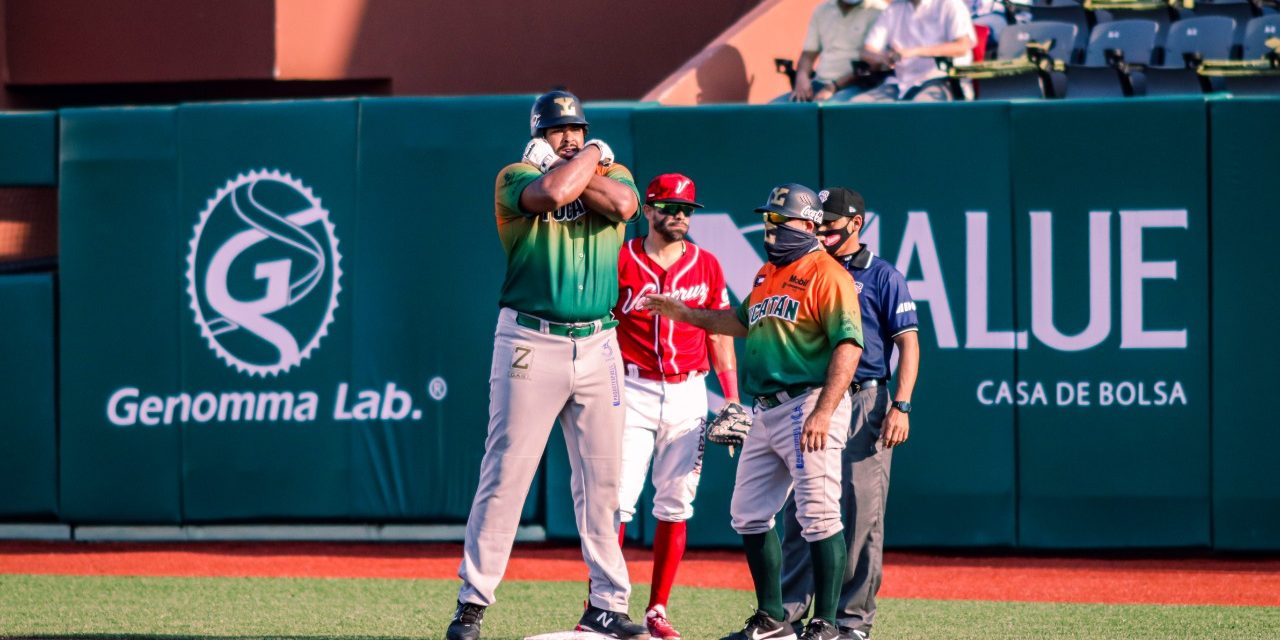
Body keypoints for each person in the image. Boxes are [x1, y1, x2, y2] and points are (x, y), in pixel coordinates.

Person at [446, 89, 648, 640]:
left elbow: (627, 207)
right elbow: (554, 191)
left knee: (604, 481)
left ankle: (607, 603)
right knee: (507, 472)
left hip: (599, 339)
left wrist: (582, 159)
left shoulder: (613, 169)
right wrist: (579, 162)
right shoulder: (514, 176)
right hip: (531, 341)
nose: (570, 137)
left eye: (577, 129)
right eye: (558, 130)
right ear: (537, 135)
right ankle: (473, 602)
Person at [641, 184, 864, 640]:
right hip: (765, 409)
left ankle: (826, 623)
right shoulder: (767, 273)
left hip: (808, 402)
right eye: (768, 219)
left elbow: (848, 346)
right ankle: (773, 618)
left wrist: (824, 411)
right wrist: (684, 314)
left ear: (807, 225)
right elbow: (738, 322)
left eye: (780, 220)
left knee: (820, 515)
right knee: (747, 513)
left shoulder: (827, 273)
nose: (770, 228)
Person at [778, 188, 920, 640]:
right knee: (805, 509)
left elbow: (909, 345)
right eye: (815, 226)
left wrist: (901, 404)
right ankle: (789, 614)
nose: (821, 234)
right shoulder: (807, 269)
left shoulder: (882, 275)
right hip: (812, 397)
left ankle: (849, 622)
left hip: (864, 400)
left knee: (860, 513)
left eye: (831, 227)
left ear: (856, 224)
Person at [613, 173, 740, 639]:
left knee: (675, 504)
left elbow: (719, 330)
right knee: (617, 503)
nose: (680, 216)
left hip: (689, 391)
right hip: (631, 388)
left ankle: (657, 608)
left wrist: (731, 398)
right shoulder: (621, 259)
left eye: (686, 209)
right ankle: (604, 604)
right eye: (669, 207)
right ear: (648, 210)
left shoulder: (706, 264)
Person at [853, 0, 976, 102]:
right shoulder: (894, 9)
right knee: (858, 106)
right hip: (900, 83)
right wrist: (882, 57)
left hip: (942, 80)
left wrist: (914, 52)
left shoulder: (950, 4)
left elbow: (962, 46)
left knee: (919, 110)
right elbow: (867, 51)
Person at [775, 0, 889, 103]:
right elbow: (809, 54)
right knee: (775, 109)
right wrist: (802, 78)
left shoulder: (878, 10)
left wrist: (833, 87)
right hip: (820, 83)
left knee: (830, 111)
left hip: (857, 85)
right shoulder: (822, 10)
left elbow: (870, 65)